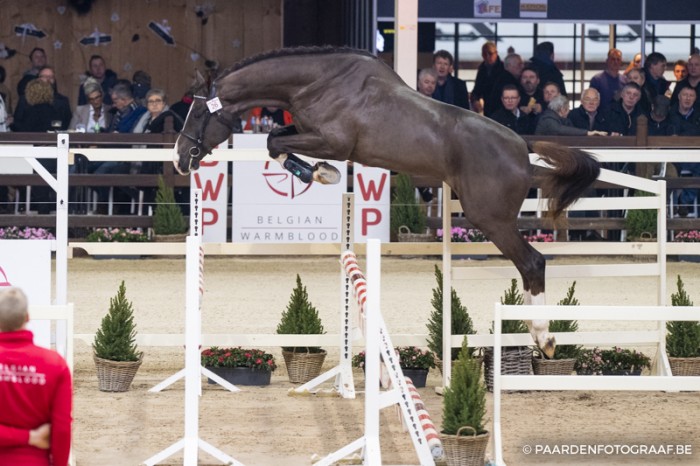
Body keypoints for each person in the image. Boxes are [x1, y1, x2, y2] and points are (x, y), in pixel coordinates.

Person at [0, 287, 72, 466]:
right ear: (27, 317)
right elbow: (62, 428)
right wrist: (30, 437)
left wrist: (26, 437)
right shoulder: (54, 364)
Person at [669, 86, 700, 214]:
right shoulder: (669, 113)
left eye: (691, 95)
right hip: (672, 155)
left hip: (693, 155)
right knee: (671, 172)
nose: (687, 98)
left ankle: (684, 201)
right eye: (685, 95)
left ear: (695, 99)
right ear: (678, 97)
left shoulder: (698, 114)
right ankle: (675, 204)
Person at [535, 95, 607, 136]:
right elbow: (559, 130)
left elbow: (571, 129)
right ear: (563, 109)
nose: (569, 111)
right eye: (568, 107)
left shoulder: (562, 119)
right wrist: (588, 133)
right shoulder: (548, 118)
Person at [470, 41, 504, 114]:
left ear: (496, 53)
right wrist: (475, 100)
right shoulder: (482, 69)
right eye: (485, 54)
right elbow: (477, 89)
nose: (488, 57)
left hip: (502, 108)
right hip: (488, 109)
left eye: (490, 54)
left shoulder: (503, 68)